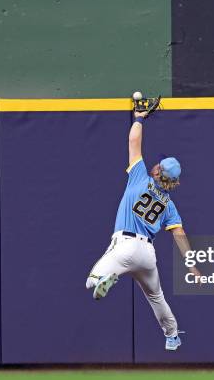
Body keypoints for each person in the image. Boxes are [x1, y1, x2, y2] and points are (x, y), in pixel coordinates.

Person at [85, 100, 201, 351]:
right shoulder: (169, 204)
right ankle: (172, 336)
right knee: (156, 297)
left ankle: (107, 278)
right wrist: (192, 266)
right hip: (147, 255)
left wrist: (138, 118)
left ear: (158, 171)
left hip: (125, 245)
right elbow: (179, 234)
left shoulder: (140, 176)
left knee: (91, 282)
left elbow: (133, 143)